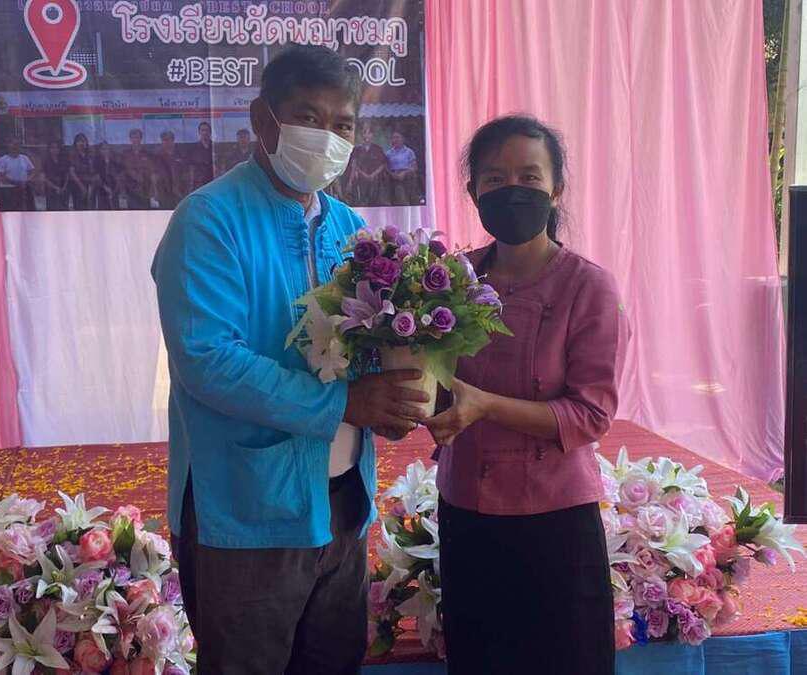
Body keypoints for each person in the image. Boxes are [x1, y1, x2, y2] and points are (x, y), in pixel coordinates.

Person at [151, 45, 427, 674]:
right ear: (263, 120)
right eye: (308, 117)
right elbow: (207, 361)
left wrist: (406, 393)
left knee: (332, 663)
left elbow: (367, 345)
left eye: (343, 124)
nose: (326, 137)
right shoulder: (209, 220)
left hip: (342, 501)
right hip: (247, 508)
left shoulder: (351, 228)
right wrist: (347, 403)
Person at [425, 115, 630, 675]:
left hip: (556, 522)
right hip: (466, 511)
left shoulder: (588, 286)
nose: (512, 190)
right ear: (474, 192)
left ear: (556, 188)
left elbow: (590, 414)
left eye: (529, 177)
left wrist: (485, 405)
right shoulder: (450, 279)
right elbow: (432, 380)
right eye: (495, 179)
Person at [347, 124, 389, 206]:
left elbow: (383, 164)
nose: (366, 135)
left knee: (375, 201)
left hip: (376, 180)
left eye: (369, 133)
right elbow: (354, 164)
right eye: (364, 133)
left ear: (372, 135)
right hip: (361, 179)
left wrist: (373, 175)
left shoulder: (378, 149)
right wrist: (351, 181)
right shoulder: (357, 149)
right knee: (362, 200)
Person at [0, 137, 36, 211]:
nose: (15, 146)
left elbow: (32, 171)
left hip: (23, 189)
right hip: (8, 191)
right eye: (13, 144)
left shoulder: (25, 158)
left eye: (17, 144)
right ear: (8, 146)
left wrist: (27, 180)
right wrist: (13, 182)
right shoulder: (2, 160)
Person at [120, 128, 155, 210]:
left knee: (145, 214)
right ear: (130, 139)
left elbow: (152, 172)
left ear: (141, 139)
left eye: (137, 137)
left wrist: (153, 189)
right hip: (130, 190)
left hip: (145, 190)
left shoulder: (148, 154)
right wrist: (122, 190)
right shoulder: (125, 154)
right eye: (133, 137)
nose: (135, 140)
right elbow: (122, 173)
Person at [153, 130, 187, 209]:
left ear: (173, 140)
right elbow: (154, 175)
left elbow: (186, 174)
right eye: (164, 140)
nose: (167, 142)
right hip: (163, 192)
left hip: (179, 192)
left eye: (169, 139)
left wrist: (185, 190)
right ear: (162, 141)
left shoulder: (181, 154)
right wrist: (155, 192)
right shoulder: (157, 156)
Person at [385, 131, 418, 205]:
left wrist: (404, 173)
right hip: (393, 175)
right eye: (393, 138)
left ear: (403, 139)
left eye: (397, 137)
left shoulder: (409, 152)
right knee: (398, 187)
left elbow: (414, 167)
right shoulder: (388, 153)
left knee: (406, 183)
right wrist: (392, 174)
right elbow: (386, 167)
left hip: (407, 174)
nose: (395, 140)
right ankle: (404, 204)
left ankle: (407, 203)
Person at [68, 133, 97, 210]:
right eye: (79, 141)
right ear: (75, 143)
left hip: (90, 185)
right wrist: (81, 187)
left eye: (83, 141)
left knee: (91, 207)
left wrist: (91, 186)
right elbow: (72, 172)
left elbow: (94, 171)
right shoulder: (72, 155)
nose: (81, 143)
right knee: (79, 208)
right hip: (77, 185)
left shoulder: (90, 155)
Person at [188, 121, 215, 191]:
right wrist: (191, 185)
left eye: (207, 130)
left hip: (213, 182)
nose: (205, 132)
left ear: (210, 132)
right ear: (199, 132)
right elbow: (191, 168)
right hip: (199, 184)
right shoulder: (193, 149)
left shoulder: (215, 147)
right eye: (202, 130)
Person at [42, 141, 69, 210]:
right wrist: (55, 188)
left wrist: (64, 187)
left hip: (63, 189)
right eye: (52, 148)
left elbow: (67, 175)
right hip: (51, 190)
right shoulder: (46, 161)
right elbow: (44, 177)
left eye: (57, 148)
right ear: (49, 149)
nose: (55, 150)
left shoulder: (64, 160)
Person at [92, 141, 119, 210]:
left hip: (114, 191)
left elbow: (117, 177)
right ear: (100, 150)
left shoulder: (114, 162)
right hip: (102, 191)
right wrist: (105, 188)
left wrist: (114, 190)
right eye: (103, 149)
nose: (106, 151)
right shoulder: (96, 162)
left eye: (107, 149)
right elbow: (97, 177)